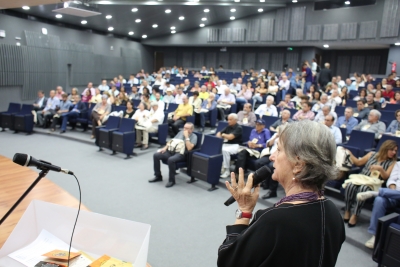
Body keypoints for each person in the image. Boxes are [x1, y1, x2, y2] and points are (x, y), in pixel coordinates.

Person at [218, 120, 345, 266]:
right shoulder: (333, 213)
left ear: (298, 164)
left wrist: (244, 213)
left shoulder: (274, 221)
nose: (272, 157)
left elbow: (228, 261)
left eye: (278, 150)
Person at [342, 140, 397, 227]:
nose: (394, 153)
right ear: (385, 148)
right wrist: (350, 153)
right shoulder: (372, 154)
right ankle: (347, 210)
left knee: (363, 189)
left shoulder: (392, 162)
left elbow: (386, 177)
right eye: (392, 150)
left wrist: (381, 169)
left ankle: (355, 215)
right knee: (350, 186)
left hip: (374, 183)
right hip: (362, 178)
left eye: (395, 151)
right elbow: (359, 163)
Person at [357, 161, 400, 249]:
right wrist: (393, 189)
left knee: (380, 195)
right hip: (393, 194)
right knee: (379, 200)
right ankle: (375, 235)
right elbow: (392, 180)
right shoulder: (399, 164)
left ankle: (374, 193)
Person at [150, 122, 197, 188]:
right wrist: (164, 148)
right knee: (156, 155)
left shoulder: (194, 136)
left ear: (191, 130)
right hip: (171, 151)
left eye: (187, 128)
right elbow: (171, 141)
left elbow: (189, 148)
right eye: (184, 127)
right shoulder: (180, 133)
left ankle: (171, 180)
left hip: (182, 153)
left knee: (171, 160)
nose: (184, 129)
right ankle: (158, 176)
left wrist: (186, 137)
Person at [217, 114, 243, 178]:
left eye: (230, 120)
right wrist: (223, 135)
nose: (228, 121)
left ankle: (227, 170)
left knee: (225, 150)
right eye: (228, 119)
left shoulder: (238, 128)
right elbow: (218, 134)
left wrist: (223, 135)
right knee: (217, 148)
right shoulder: (228, 126)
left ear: (235, 120)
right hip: (227, 144)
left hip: (236, 145)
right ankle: (220, 167)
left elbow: (231, 137)